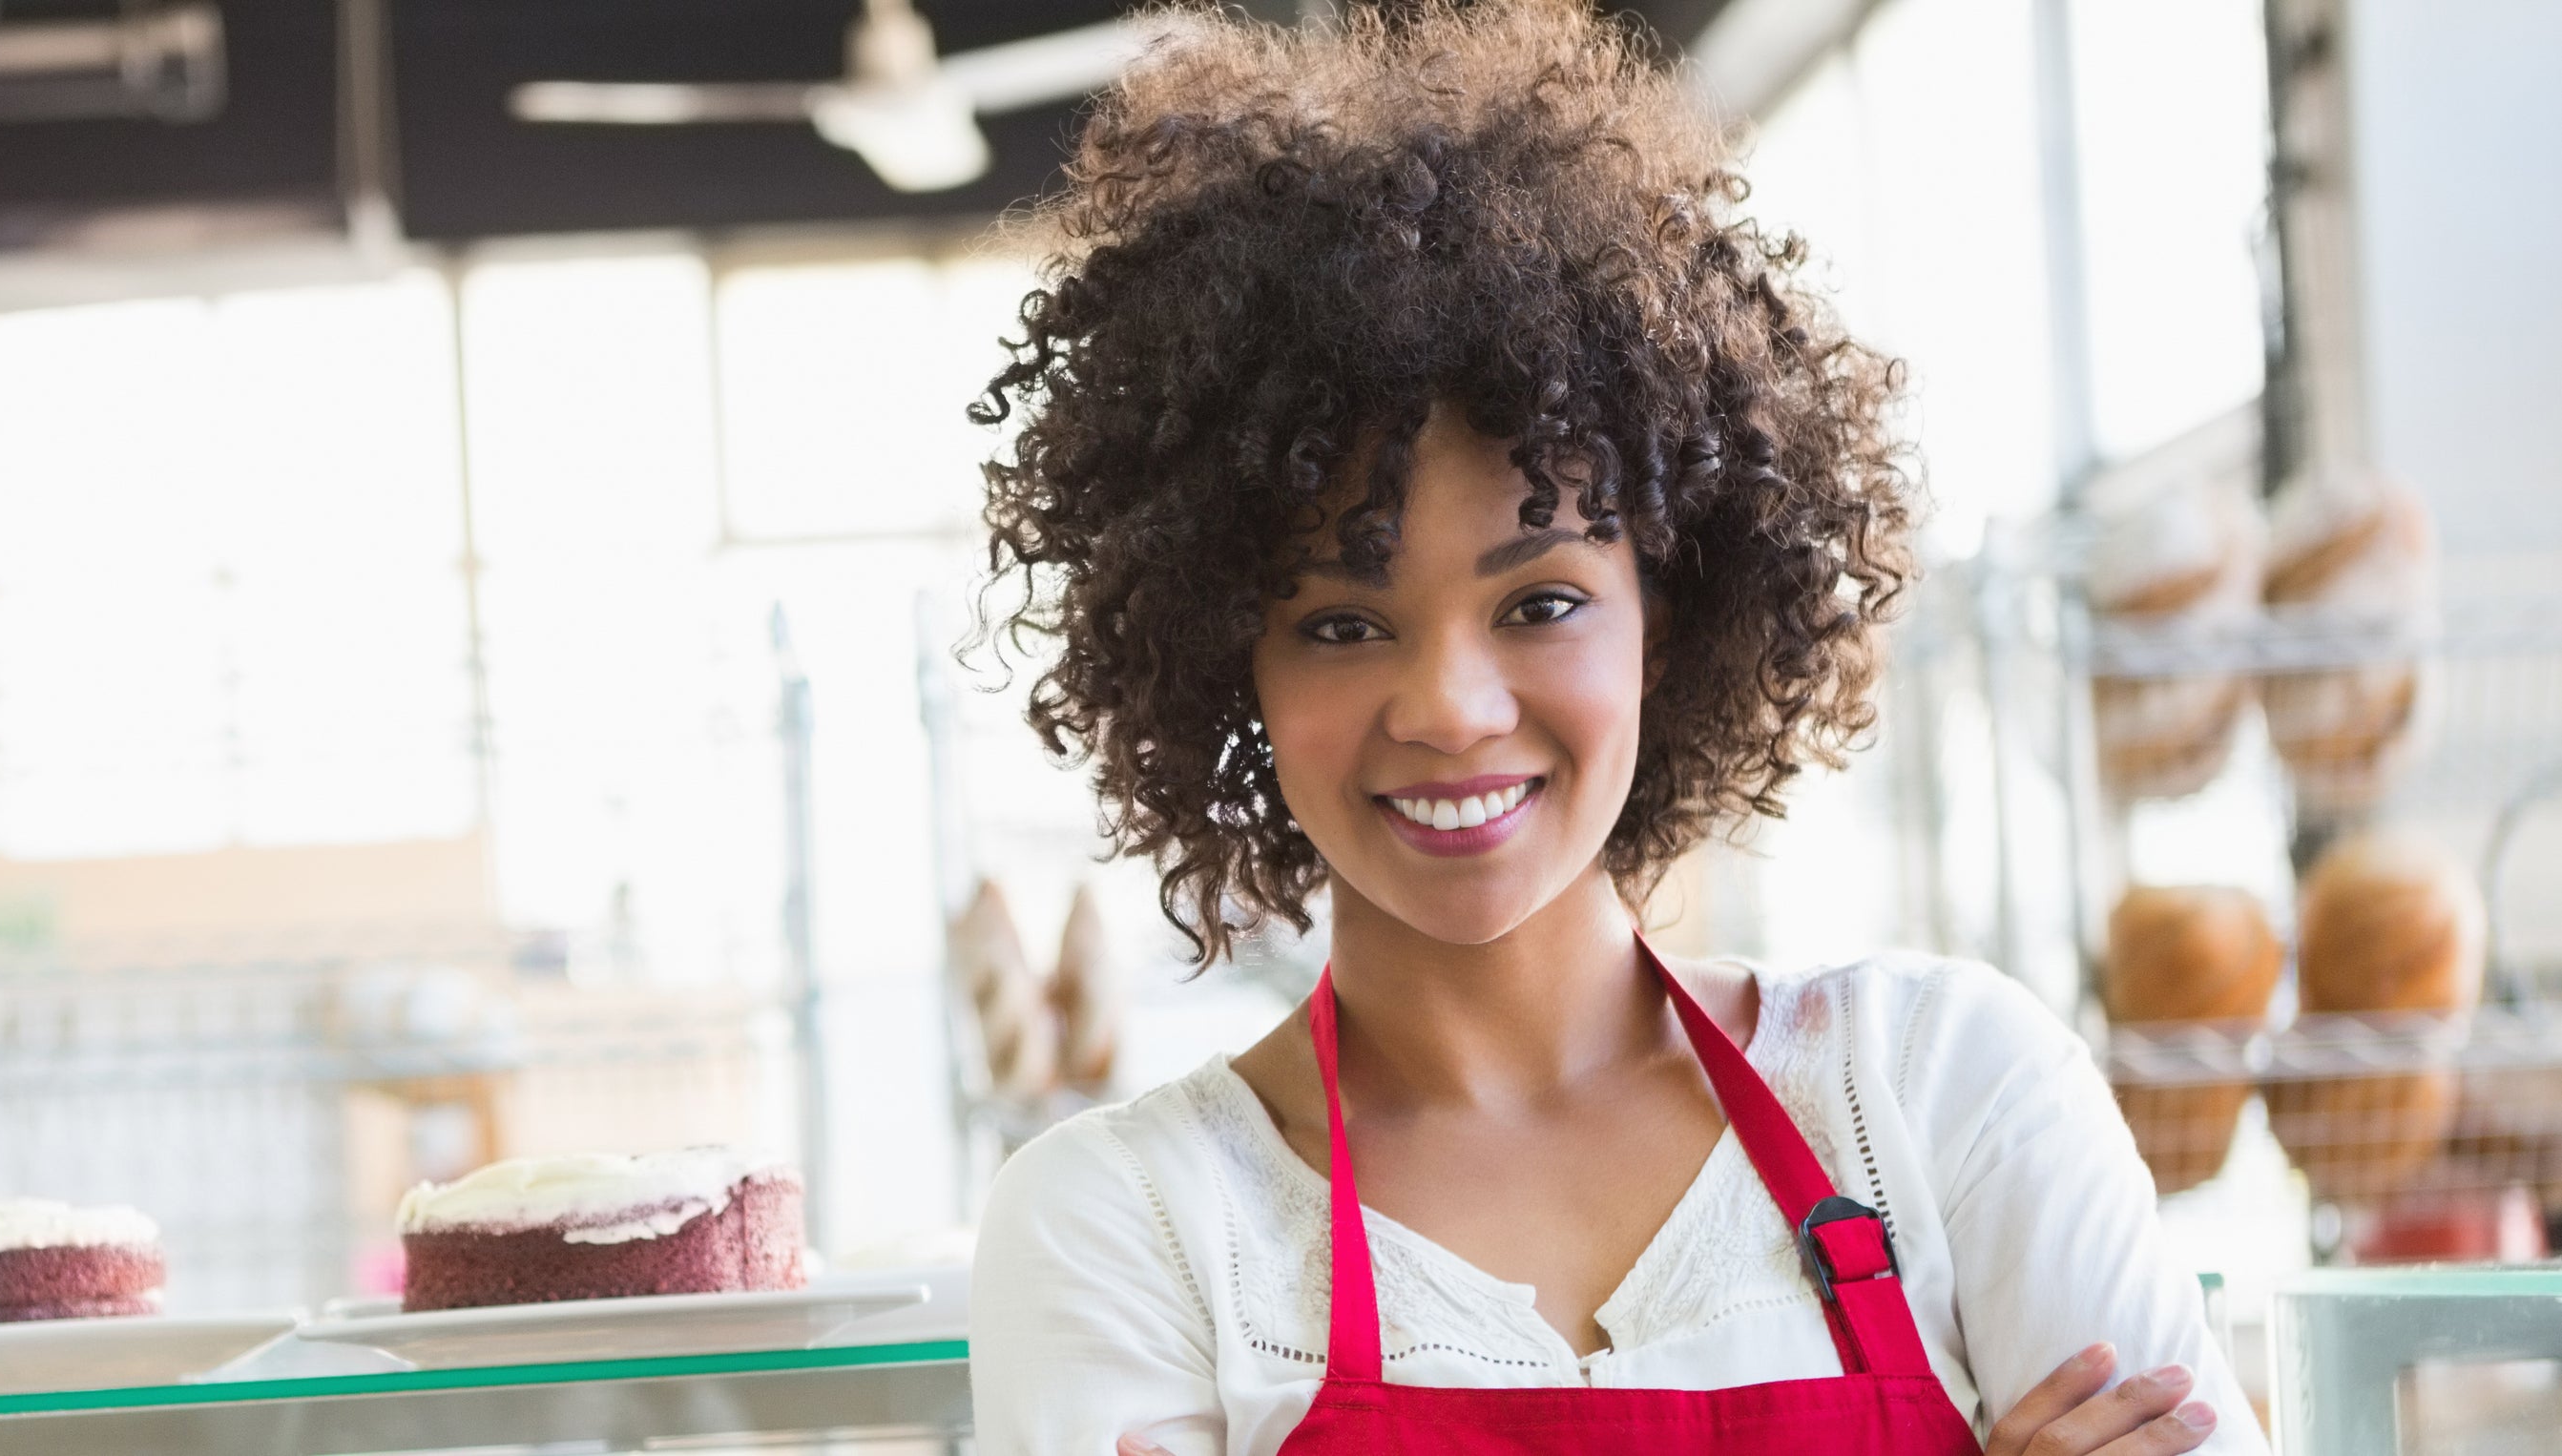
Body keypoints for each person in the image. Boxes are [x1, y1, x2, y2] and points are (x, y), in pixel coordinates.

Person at [962, 5, 2256, 1454]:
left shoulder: (1944, 1090)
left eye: (1540, 602)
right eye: (1338, 622)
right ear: (1224, 663)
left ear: (1676, 610)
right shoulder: (1128, 1227)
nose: (1449, 705)